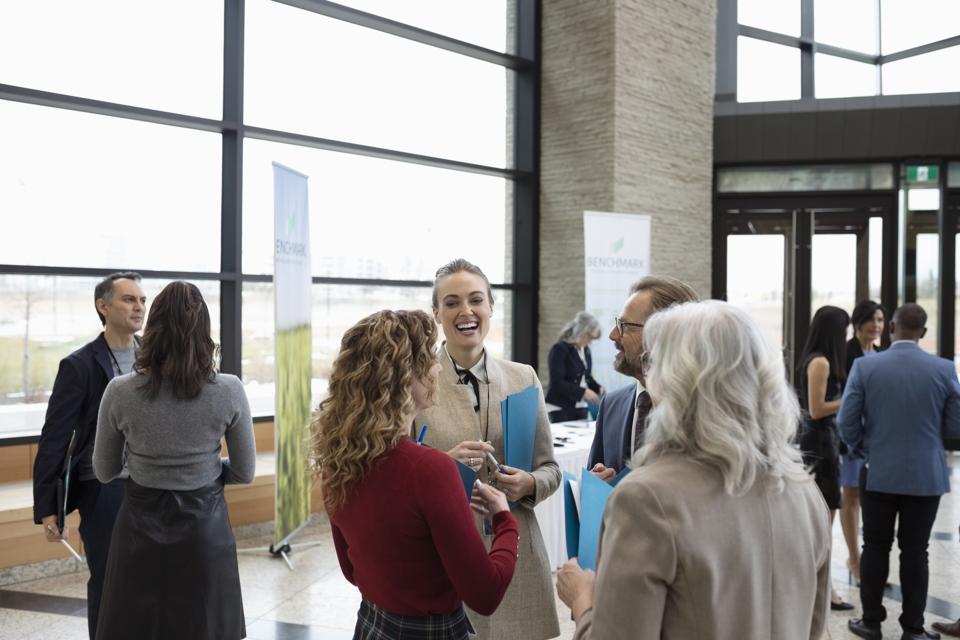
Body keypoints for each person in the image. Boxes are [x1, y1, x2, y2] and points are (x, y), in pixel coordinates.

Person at [556, 300, 831, 639]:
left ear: (674, 379)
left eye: (651, 363)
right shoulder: (805, 492)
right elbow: (816, 629)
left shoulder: (646, 500)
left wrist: (583, 598)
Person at [313, 309, 520, 639]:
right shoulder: (431, 471)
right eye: (429, 358)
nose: (438, 366)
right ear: (402, 377)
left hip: (371, 625)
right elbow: (486, 594)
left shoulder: (337, 462)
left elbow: (353, 571)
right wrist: (505, 520)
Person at [93, 281, 255, 640]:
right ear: (205, 331)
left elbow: (104, 471)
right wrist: (205, 469)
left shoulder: (120, 391)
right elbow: (244, 471)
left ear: (153, 327)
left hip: (137, 531)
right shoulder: (228, 390)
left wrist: (144, 466)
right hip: (205, 531)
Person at [416, 258, 560, 640]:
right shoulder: (414, 382)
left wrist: (528, 483)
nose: (466, 311)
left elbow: (551, 469)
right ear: (436, 314)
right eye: (451, 302)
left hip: (516, 556)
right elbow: (391, 471)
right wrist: (443, 467)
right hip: (444, 559)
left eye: (476, 300)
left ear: (491, 307)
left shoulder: (523, 377)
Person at [32, 271, 145, 639]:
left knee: (151, 577)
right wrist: (49, 506)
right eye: (129, 299)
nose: (139, 307)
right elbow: (55, 438)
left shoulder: (156, 360)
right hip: (103, 485)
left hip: (153, 484)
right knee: (110, 579)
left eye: (142, 300)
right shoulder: (79, 365)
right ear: (103, 305)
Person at [837, 303, 960, 640]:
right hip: (926, 474)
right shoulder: (945, 369)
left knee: (875, 546)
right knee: (916, 550)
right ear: (923, 332)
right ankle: (913, 629)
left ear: (891, 327)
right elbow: (955, 426)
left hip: (878, 470)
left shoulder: (866, 367)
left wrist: (864, 449)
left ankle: (872, 622)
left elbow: (846, 422)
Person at [587, 275, 698, 481]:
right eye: (616, 324)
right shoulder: (611, 405)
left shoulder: (702, 413)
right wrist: (596, 484)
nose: (613, 335)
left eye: (625, 326)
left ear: (663, 335)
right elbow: (593, 488)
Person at [796, 304, 854, 610]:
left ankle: (823, 588)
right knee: (822, 522)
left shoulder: (817, 359)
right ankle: (825, 590)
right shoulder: (820, 362)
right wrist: (850, 399)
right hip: (819, 445)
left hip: (823, 443)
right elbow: (817, 409)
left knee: (822, 520)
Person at [841, 299, 886, 586]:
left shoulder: (881, 354)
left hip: (876, 438)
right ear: (858, 322)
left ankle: (863, 559)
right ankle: (854, 559)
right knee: (851, 496)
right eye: (871, 319)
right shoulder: (847, 353)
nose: (876, 325)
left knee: (869, 497)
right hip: (850, 436)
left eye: (881, 320)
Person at [545, 311, 605, 422]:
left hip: (580, 406)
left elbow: (586, 377)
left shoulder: (586, 350)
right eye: (589, 337)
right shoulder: (559, 349)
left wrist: (598, 388)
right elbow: (557, 383)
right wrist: (583, 392)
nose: (590, 342)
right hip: (560, 407)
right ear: (580, 331)